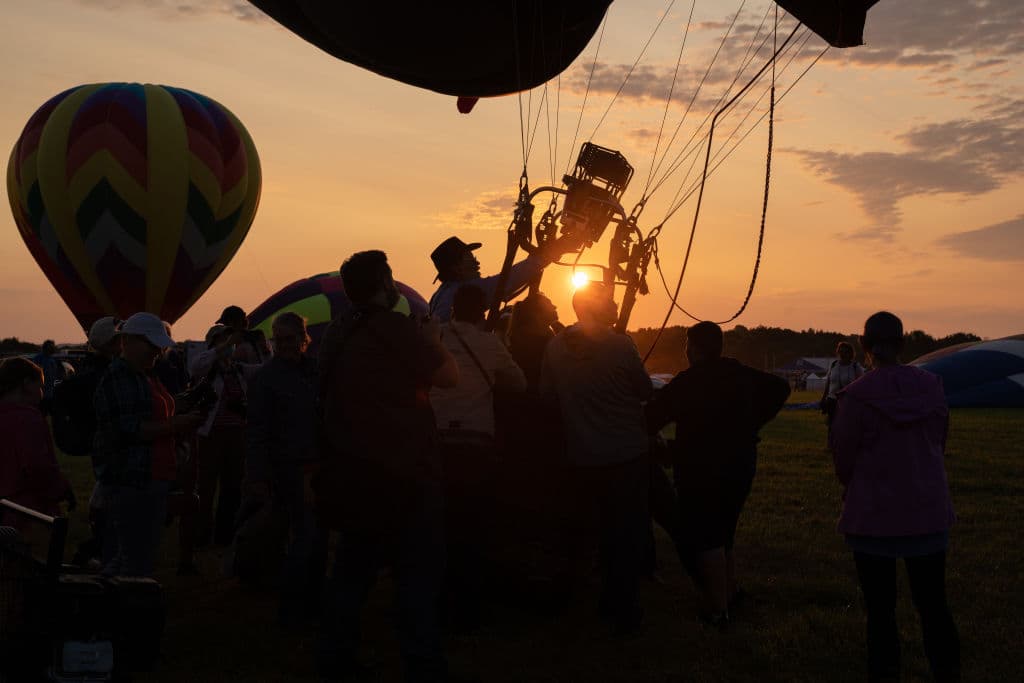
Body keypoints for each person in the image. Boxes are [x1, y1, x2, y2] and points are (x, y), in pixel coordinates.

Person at [315, 250, 458, 682]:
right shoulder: (397, 329)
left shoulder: (337, 333)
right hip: (406, 474)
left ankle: (335, 657)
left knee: (351, 573)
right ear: (384, 282)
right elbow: (448, 377)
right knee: (416, 575)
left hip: (352, 473)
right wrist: (433, 338)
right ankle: (422, 663)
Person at [830, 311, 959, 682]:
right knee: (934, 607)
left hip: (872, 517)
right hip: (927, 513)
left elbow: (843, 460)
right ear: (902, 344)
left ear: (864, 346)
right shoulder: (932, 386)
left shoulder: (855, 397)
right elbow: (938, 440)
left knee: (880, 612)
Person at [645, 321, 790, 627]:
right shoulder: (738, 373)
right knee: (725, 530)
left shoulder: (688, 382)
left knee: (705, 537)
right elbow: (781, 388)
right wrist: (752, 423)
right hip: (741, 463)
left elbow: (651, 419)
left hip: (699, 468)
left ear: (693, 349)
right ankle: (730, 592)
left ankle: (716, 610)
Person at [539, 282, 652, 634]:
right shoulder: (620, 345)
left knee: (588, 532)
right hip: (625, 455)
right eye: (609, 302)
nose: (615, 306)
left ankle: (576, 601)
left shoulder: (555, 347)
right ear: (593, 307)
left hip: (581, 456)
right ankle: (622, 609)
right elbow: (644, 390)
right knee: (625, 534)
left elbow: (547, 396)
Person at [430, 284, 526, 629]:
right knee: (472, 527)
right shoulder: (490, 344)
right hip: (474, 445)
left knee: (438, 526)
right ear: (482, 313)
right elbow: (519, 384)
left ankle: (436, 600)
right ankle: (468, 607)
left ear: (453, 309)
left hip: (436, 443)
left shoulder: (435, 337)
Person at [93, 313, 202, 576]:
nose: (157, 351)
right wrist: (178, 424)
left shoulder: (143, 374)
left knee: (131, 555)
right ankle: (123, 598)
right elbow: (129, 429)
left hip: (152, 477)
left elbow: (150, 416)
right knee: (135, 559)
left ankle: (110, 593)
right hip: (133, 480)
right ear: (127, 341)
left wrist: (185, 408)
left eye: (159, 346)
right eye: (151, 345)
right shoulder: (120, 377)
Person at [245, 312, 327, 626]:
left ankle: (308, 600)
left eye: (288, 339)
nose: (282, 346)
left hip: (316, 466)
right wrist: (257, 475)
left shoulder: (315, 371)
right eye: (277, 340)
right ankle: (294, 608)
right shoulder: (266, 378)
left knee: (315, 537)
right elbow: (256, 431)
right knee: (305, 536)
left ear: (304, 339)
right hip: (288, 468)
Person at [50, 316, 123, 567]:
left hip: (102, 446)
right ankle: (98, 552)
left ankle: (98, 550)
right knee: (112, 502)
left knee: (107, 499)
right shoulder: (104, 376)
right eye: (120, 340)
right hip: (112, 448)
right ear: (111, 344)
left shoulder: (88, 374)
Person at [188, 324, 259, 547]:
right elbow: (196, 365)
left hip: (237, 436)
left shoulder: (238, 370)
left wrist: (261, 346)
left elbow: (264, 369)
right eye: (222, 341)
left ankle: (224, 535)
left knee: (232, 487)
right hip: (210, 436)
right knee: (206, 487)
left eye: (230, 341)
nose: (229, 345)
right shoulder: (206, 368)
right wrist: (225, 345)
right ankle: (200, 535)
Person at [428, 235, 576, 322]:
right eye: (469, 258)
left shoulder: (440, 295)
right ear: (456, 267)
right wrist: (554, 250)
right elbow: (509, 280)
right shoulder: (467, 292)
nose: (476, 262)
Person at [0, 357, 75, 530]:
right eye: (40, 387)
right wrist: (62, 489)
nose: (42, 393)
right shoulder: (28, 419)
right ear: (26, 384)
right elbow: (38, 468)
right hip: (27, 514)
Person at [820, 341, 864, 436]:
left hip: (848, 401)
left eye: (845, 352)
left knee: (846, 425)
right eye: (840, 352)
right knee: (832, 425)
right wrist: (823, 398)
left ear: (850, 353)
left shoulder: (855, 367)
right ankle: (831, 442)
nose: (842, 354)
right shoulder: (834, 364)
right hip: (832, 400)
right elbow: (828, 382)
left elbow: (862, 384)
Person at [31, 339, 66, 415]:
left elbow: (55, 376)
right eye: (50, 347)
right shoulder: (38, 359)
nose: (52, 349)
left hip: (51, 394)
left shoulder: (52, 360)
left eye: (53, 347)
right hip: (42, 394)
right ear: (45, 348)